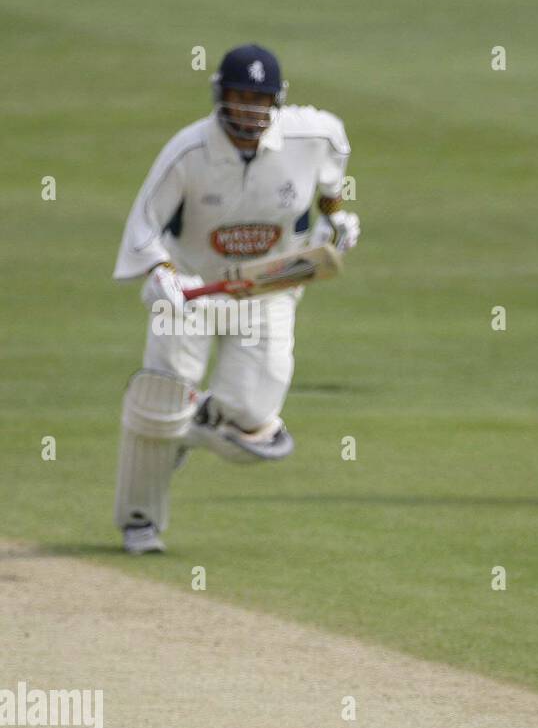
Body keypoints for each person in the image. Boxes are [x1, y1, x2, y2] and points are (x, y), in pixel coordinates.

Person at [111, 44, 360, 554]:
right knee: (162, 398)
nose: (249, 109)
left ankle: (186, 424)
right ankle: (141, 522)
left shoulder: (314, 133)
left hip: (267, 287)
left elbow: (331, 174)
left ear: (277, 102)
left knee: (255, 425)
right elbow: (143, 226)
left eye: (259, 98)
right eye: (239, 96)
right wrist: (161, 274)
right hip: (192, 288)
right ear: (220, 97)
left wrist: (336, 215)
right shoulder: (188, 151)